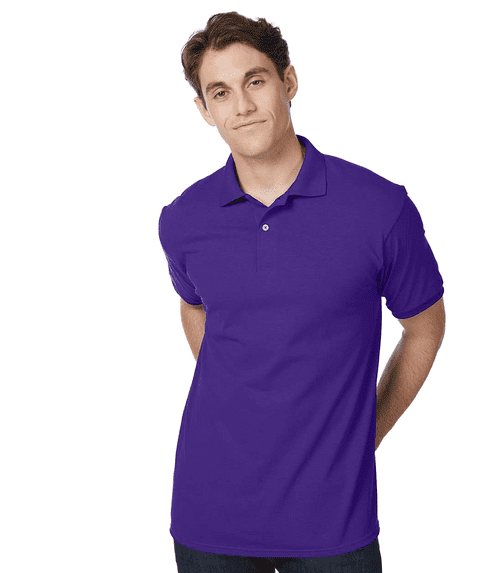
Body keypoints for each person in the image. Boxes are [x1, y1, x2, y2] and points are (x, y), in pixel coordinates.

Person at [158, 11, 446, 573]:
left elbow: (425, 327)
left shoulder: (380, 208)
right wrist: (242, 395)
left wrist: (365, 431)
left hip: (333, 517)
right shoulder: (183, 219)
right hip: (208, 510)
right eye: (221, 92)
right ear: (204, 110)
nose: (242, 105)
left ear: (289, 81)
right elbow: (194, 307)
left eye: (256, 81)